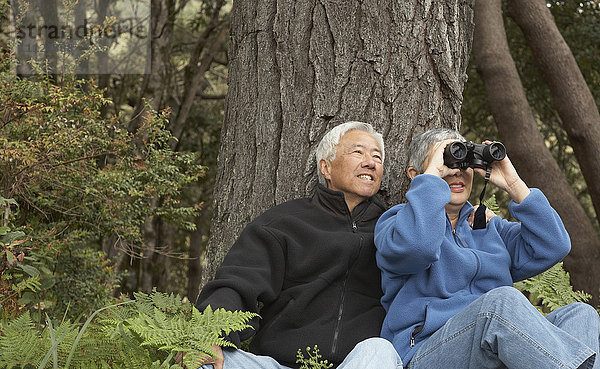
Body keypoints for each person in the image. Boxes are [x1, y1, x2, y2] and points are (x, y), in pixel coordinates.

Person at [374, 128, 600, 369]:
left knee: (580, 315)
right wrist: (431, 178)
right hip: (425, 352)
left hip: (491, 346)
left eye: (465, 162)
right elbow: (418, 248)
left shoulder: (488, 227)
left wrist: (514, 184)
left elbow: (554, 245)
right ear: (416, 174)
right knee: (501, 302)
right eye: (448, 160)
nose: (457, 170)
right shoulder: (397, 224)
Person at [194, 122, 403, 369]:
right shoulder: (283, 222)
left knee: (379, 350)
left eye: (377, 156)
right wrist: (209, 334)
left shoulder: (394, 231)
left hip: (358, 364)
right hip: (278, 364)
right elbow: (236, 284)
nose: (370, 162)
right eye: (358, 152)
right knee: (203, 361)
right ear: (325, 167)